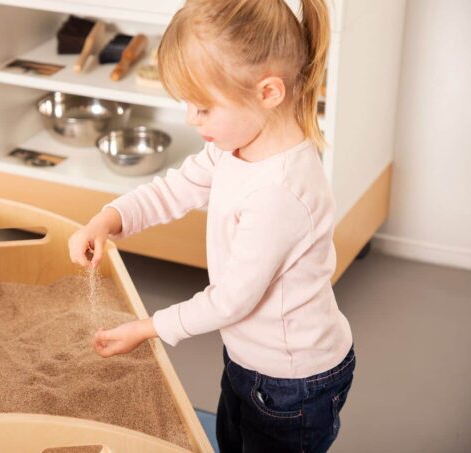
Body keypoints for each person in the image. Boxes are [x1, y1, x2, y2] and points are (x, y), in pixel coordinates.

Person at [68, 0, 355, 451]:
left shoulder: (280, 192)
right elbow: (177, 189)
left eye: (202, 107)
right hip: (248, 358)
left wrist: (147, 328)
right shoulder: (233, 147)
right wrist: (110, 217)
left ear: (268, 92)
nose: (189, 118)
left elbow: (229, 301)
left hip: (293, 384)